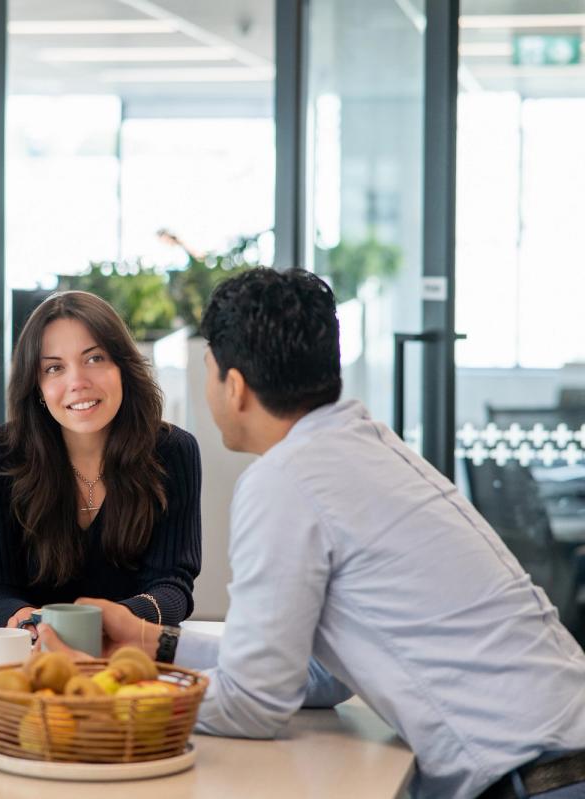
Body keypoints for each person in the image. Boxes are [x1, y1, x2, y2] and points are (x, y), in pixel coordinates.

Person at [39, 268, 585, 799]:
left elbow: (252, 706)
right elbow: (324, 676)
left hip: (539, 780)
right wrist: (148, 641)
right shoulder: (367, 444)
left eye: (208, 370)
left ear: (235, 385)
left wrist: (101, 687)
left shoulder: (285, 479)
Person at [0, 291, 202, 630]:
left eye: (94, 359)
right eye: (54, 368)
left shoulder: (172, 451)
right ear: (37, 385)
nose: (77, 382)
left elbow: (172, 586)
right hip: (34, 657)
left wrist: (102, 625)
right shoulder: (3, 452)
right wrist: (27, 622)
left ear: (122, 366)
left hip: (133, 656)